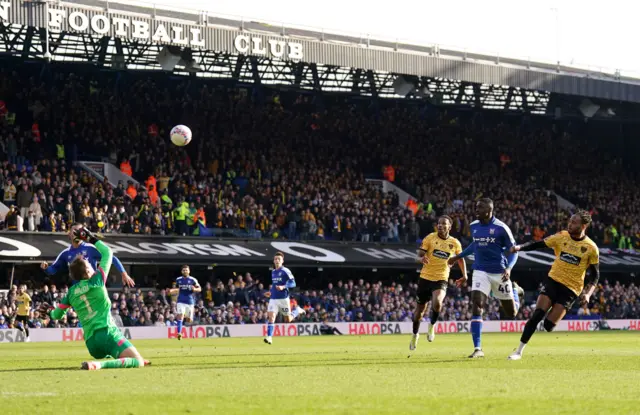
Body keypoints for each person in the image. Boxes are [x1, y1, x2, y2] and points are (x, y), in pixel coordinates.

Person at [41, 226, 149, 370]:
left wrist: (49, 311)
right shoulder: (97, 281)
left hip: (92, 344)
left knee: (118, 349)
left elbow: (57, 314)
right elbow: (108, 253)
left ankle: (115, 357)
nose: (94, 266)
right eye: (89, 265)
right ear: (87, 270)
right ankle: (99, 365)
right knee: (138, 362)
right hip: (107, 333)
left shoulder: (71, 293)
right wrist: (91, 237)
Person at [507, 211, 599, 360]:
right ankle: (518, 352)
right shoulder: (561, 236)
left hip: (571, 289)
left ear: (583, 226)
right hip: (553, 281)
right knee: (537, 316)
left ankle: (554, 314)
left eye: (574, 222)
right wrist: (519, 247)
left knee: (548, 326)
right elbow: (539, 244)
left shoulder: (591, 248)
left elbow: (595, 276)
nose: (570, 224)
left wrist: (588, 294)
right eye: (570, 221)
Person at [447, 198, 521, 358]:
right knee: (477, 304)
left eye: (479, 208)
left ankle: (515, 291)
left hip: (499, 272)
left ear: (489, 211)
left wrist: (508, 268)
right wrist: (457, 257)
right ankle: (478, 348)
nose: (476, 210)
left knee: (511, 313)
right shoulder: (474, 226)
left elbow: (514, 251)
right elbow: (475, 245)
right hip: (480, 270)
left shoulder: (502, 228)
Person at [410, 215, 467, 351]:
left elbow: (460, 259)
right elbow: (419, 254)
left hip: (441, 277)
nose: (440, 225)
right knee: (419, 313)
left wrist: (465, 275)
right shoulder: (430, 238)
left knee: (437, 303)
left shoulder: (455, 243)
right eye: (439, 223)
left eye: (443, 224)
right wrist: (421, 258)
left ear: (449, 227)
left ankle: (432, 325)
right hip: (425, 277)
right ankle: (415, 335)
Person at [40, 223, 134, 287]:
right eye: (75, 230)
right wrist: (46, 268)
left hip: (93, 286)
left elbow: (111, 258)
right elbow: (52, 270)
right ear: (69, 234)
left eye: (80, 231)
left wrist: (124, 273)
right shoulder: (65, 253)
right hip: (79, 290)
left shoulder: (90, 248)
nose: (78, 233)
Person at [264, 252, 296, 345]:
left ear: (282, 261)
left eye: (279, 259)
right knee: (271, 317)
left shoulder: (285, 270)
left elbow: (293, 283)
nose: (277, 260)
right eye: (275, 259)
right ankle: (269, 337)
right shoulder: (273, 272)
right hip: (273, 298)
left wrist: (283, 286)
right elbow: (274, 285)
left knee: (288, 320)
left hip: (283, 299)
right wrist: (271, 292)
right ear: (273, 261)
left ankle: (297, 311)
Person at [169, 265, 201, 340]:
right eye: (183, 270)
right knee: (180, 316)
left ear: (189, 271)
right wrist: (172, 291)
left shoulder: (193, 280)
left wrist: (195, 290)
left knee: (188, 320)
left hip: (190, 302)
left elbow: (199, 289)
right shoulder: (178, 279)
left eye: (186, 270)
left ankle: (188, 325)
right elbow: (176, 289)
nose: (185, 271)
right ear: (181, 271)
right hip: (180, 301)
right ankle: (179, 334)